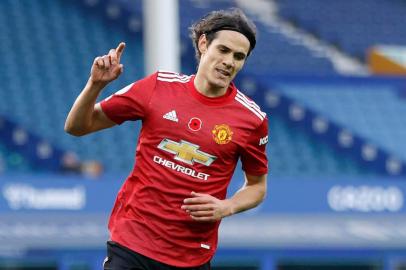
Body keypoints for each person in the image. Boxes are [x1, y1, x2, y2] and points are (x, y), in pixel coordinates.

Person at [65, 8, 268, 270]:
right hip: (132, 243)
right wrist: (95, 85)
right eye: (224, 50)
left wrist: (227, 207)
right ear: (203, 43)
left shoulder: (252, 119)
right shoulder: (158, 86)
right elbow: (77, 127)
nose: (229, 61)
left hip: (192, 255)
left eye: (239, 57)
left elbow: (257, 186)